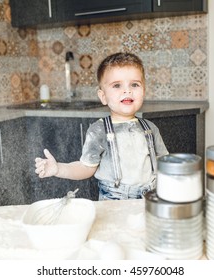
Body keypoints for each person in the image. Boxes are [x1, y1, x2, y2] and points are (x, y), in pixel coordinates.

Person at [35, 52, 169, 200]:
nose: (127, 90)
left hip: (149, 200)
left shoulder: (150, 128)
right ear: (103, 96)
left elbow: (165, 165)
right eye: (117, 85)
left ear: (143, 91)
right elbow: (86, 167)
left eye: (135, 84)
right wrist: (58, 169)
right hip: (113, 201)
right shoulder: (98, 131)